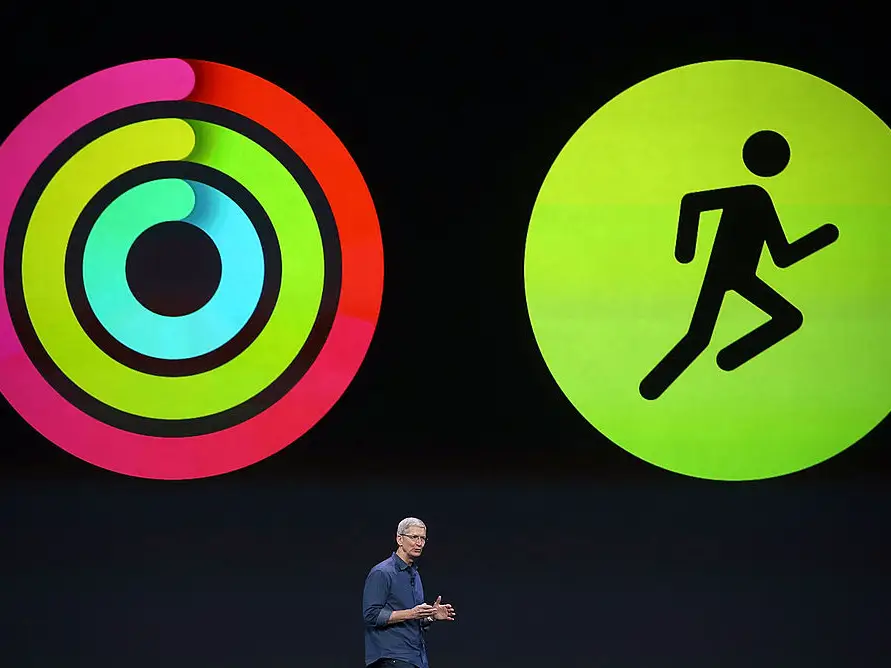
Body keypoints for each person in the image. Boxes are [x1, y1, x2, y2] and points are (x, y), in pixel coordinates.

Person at [639, 129, 839, 400]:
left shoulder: (758, 197)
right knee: (699, 337)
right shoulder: (751, 195)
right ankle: (656, 386)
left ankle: (730, 357)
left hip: (742, 277)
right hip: (722, 274)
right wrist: (686, 250)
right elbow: (692, 202)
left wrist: (822, 238)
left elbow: (782, 256)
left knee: (786, 318)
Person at [362, 517, 456, 667]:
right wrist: (411, 613)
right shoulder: (382, 573)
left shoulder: (414, 574)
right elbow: (371, 615)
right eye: (414, 537)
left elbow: (413, 619)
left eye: (422, 538)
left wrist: (430, 616)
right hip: (391, 658)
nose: (419, 543)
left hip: (416, 658)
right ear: (399, 539)